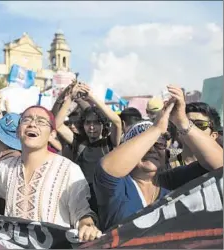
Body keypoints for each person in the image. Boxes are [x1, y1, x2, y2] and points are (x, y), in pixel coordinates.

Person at [94, 86, 223, 231]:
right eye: (146, 145)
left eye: (159, 144)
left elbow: (220, 166)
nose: (152, 149)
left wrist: (182, 122)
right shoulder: (117, 186)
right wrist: (156, 129)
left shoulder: (171, 182)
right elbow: (107, 168)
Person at [0, 106, 101, 242]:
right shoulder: (7, 166)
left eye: (41, 121)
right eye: (26, 120)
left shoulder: (68, 170)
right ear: (17, 132)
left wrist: (88, 226)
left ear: (52, 135)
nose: (32, 124)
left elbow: (82, 212)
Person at [56, 83, 122, 213]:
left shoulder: (109, 144)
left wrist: (91, 97)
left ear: (103, 125)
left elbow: (117, 122)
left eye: (96, 123)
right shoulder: (79, 143)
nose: (92, 127)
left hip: (105, 203)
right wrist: (70, 98)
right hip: (81, 202)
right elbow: (57, 125)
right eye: (88, 123)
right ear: (83, 125)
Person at [170, 102, 221, 168]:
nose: (191, 129)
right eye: (187, 124)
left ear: (213, 135)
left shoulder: (220, 168)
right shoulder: (166, 167)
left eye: (200, 124)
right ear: (178, 132)